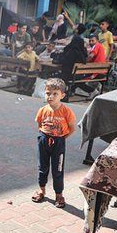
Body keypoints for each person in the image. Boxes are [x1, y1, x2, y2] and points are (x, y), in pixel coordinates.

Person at [31, 78, 76, 208]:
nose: (50, 96)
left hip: (59, 142)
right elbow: (40, 124)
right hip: (44, 140)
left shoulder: (67, 111)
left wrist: (61, 138)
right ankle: (42, 190)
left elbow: (72, 128)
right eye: (48, 93)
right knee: (42, 167)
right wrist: (45, 136)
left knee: (58, 169)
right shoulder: (42, 110)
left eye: (55, 93)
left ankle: (59, 194)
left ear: (62, 95)